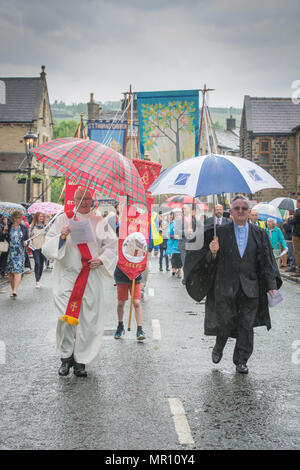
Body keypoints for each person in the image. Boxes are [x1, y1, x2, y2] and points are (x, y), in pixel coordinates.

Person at [184, 195, 282, 375]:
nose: (241, 212)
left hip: (250, 289)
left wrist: (271, 286)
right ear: (232, 212)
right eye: (237, 208)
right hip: (225, 287)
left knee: (246, 325)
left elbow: (266, 263)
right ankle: (219, 346)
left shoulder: (259, 234)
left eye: (244, 208)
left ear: (249, 211)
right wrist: (212, 253)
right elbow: (206, 262)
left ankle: (241, 360)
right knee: (225, 322)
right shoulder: (219, 232)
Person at [42, 187, 118, 378]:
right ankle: (65, 358)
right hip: (67, 276)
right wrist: (62, 235)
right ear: (74, 201)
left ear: (92, 202)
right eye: (80, 199)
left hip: (90, 274)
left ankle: (81, 361)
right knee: (66, 317)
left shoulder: (100, 222)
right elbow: (47, 246)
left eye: (88, 200)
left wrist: (101, 260)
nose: (84, 202)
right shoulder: (62, 219)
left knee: (88, 320)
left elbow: (112, 246)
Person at [113, 265, 145, 341]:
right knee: (121, 303)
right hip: (121, 276)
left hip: (135, 276)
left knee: (136, 303)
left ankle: (139, 329)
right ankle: (120, 326)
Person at [6, 210, 29, 298]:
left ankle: (15, 290)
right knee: (11, 273)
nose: (21, 219)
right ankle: (13, 289)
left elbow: (27, 238)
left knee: (17, 271)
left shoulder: (23, 227)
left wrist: (26, 243)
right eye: (19, 217)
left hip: (20, 252)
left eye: (21, 217)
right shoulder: (8, 227)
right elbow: (3, 238)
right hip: (10, 252)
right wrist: (4, 232)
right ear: (14, 218)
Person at [29, 212, 46, 288]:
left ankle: (39, 278)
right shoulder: (32, 226)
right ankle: (37, 281)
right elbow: (29, 236)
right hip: (35, 248)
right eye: (40, 216)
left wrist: (48, 227)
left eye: (42, 216)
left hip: (43, 248)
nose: (41, 218)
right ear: (36, 217)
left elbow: (50, 235)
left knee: (42, 264)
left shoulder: (46, 226)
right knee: (37, 263)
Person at [166, 211, 183, 278]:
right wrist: (173, 236)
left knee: (179, 257)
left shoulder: (183, 224)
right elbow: (168, 233)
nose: (178, 216)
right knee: (174, 257)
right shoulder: (172, 224)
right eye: (176, 215)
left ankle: (179, 271)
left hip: (179, 244)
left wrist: (180, 235)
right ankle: (175, 268)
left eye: (179, 215)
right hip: (173, 244)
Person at [289, 198, 300, 276]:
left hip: (297, 234)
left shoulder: (298, 211)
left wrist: (290, 219)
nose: (296, 204)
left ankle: (299, 270)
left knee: (297, 252)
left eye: (297, 203)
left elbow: (293, 222)